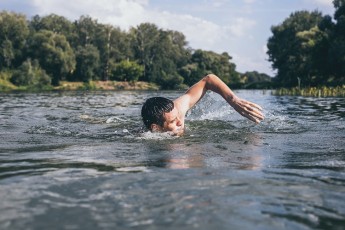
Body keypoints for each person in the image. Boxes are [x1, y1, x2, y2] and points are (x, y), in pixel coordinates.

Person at [141, 74, 264, 136]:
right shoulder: (145, 137)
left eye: (178, 115)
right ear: (155, 128)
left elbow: (208, 79)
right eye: (173, 121)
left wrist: (233, 100)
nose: (180, 121)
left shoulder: (177, 108)